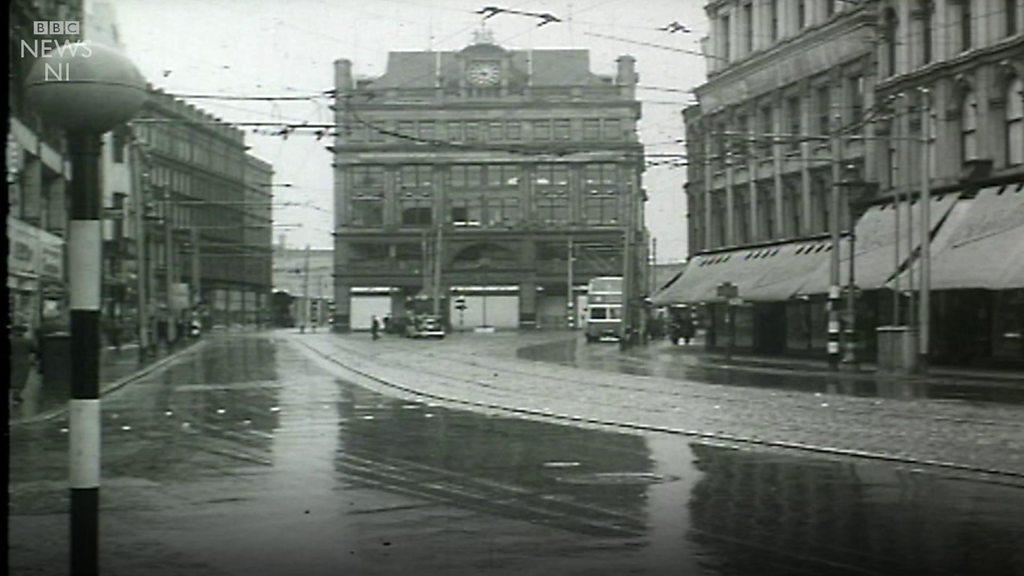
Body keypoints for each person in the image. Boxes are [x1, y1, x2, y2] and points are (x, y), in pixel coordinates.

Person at [9, 324, 36, 405]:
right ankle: (16, 396)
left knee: (13, 378)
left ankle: (15, 396)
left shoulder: (11, 340)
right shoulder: (27, 341)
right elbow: (34, 349)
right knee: (20, 379)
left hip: (12, 360)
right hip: (23, 362)